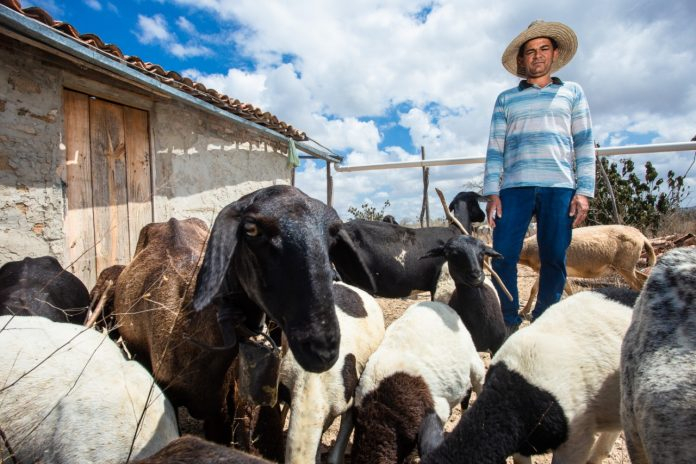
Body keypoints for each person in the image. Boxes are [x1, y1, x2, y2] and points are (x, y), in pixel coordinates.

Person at [483, 20, 596, 333]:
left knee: (554, 258)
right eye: (530, 51)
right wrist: (492, 191)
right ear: (522, 60)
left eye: (543, 49)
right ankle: (507, 321)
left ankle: (546, 321)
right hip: (514, 188)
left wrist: (584, 191)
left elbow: (584, 144)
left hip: (559, 187)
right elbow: (495, 148)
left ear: (554, 53)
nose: (537, 56)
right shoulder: (506, 99)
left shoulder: (572, 93)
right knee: (502, 255)